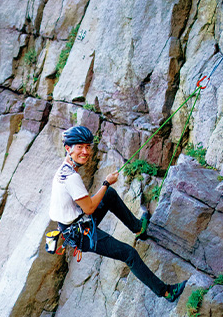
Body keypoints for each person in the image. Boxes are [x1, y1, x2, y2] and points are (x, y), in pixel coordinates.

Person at [49, 125, 186, 302]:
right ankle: (167, 292)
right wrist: (106, 182)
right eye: (80, 147)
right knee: (129, 254)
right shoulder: (71, 177)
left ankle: (139, 229)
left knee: (109, 195)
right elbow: (89, 208)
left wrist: (106, 188)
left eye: (88, 147)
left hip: (77, 224)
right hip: (81, 234)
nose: (85, 151)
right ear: (68, 148)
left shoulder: (65, 169)